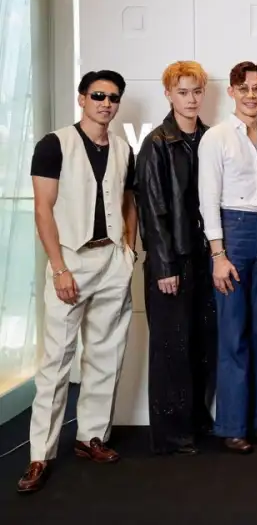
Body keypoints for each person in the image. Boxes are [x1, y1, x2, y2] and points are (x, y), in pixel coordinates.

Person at [17, 71, 138, 494]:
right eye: (98, 95)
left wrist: (129, 250)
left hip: (112, 259)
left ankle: (91, 437)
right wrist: (59, 268)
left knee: (106, 353)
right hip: (71, 259)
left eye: (113, 97)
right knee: (56, 361)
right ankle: (40, 454)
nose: (106, 103)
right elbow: (43, 209)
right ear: (82, 98)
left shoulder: (122, 149)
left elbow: (128, 201)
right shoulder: (54, 144)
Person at [197, 61, 257, 454]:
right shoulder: (216, 137)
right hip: (233, 231)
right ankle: (231, 426)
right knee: (233, 335)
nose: (251, 95)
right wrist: (218, 253)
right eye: (243, 88)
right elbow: (207, 199)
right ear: (232, 92)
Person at [135, 61, 216, 455]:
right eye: (183, 92)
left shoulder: (210, 139)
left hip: (204, 257)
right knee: (171, 349)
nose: (191, 99)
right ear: (168, 95)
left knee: (201, 344)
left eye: (196, 91)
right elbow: (152, 210)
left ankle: (196, 420)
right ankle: (171, 434)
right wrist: (165, 265)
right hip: (172, 260)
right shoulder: (156, 143)